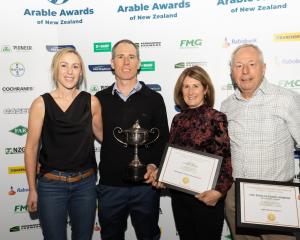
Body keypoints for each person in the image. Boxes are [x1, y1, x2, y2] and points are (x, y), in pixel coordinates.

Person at [221, 44, 300, 240]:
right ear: (232, 72)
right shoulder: (226, 106)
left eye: (251, 64)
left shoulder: (287, 99)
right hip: (236, 197)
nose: (245, 71)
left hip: (276, 198)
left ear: (263, 68)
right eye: (238, 66)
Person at [24, 48, 103, 240]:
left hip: (85, 186)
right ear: (55, 70)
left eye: (75, 66)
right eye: (64, 66)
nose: (70, 72)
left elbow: (104, 138)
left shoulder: (91, 102)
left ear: (81, 72)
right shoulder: (41, 104)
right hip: (51, 186)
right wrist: (32, 189)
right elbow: (31, 148)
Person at [95, 39, 169, 240]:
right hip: (110, 186)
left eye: (131, 57)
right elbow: (96, 133)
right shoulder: (99, 99)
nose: (126, 62)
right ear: (112, 63)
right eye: (120, 57)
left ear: (139, 63)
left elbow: (162, 138)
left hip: (145, 187)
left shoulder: (154, 99)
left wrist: (154, 165)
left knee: (148, 236)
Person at [153, 65, 233, 240]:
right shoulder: (177, 119)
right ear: (180, 90)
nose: (190, 91)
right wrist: (162, 175)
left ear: (205, 89)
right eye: (186, 86)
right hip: (180, 198)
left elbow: (226, 161)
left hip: (206, 198)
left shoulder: (216, 118)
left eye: (195, 86)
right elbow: (171, 157)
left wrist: (219, 192)